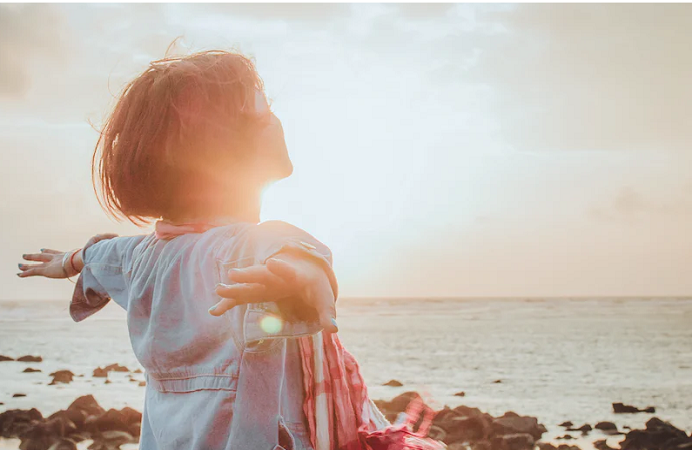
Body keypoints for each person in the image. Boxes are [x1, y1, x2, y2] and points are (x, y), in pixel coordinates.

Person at [16, 50, 388, 450]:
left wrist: (70, 261)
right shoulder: (248, 246)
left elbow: (102, 256)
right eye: (261, 109)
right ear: (218, 146)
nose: (275, 119)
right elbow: (289, 253)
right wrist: (300, 276)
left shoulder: (142, 257)